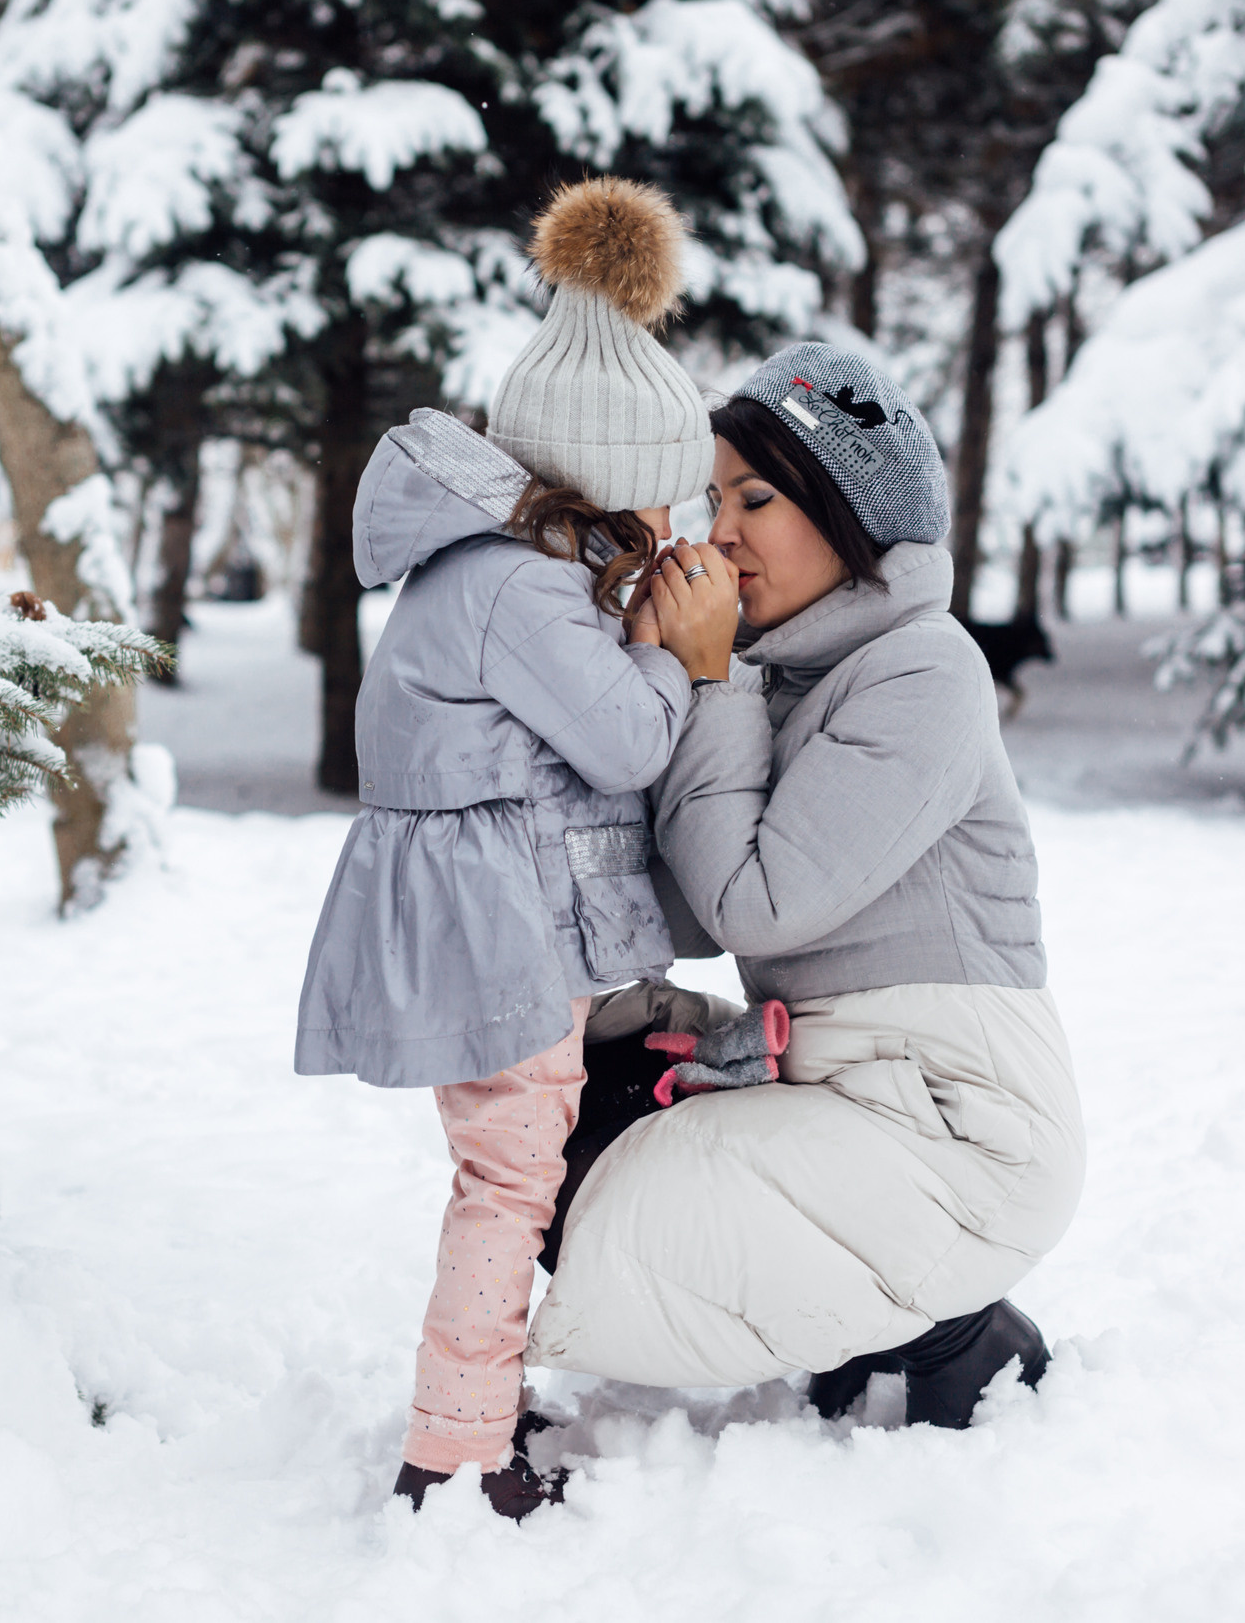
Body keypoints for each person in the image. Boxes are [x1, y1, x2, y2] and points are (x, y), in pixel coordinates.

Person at [524, 341, 1086, 1430]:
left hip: (963, 1125)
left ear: (848, 514)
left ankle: (946, 1330)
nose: (718, 530)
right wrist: (654, 689)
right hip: (844, 1083)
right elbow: (682, 907)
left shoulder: (926, 668)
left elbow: (752, 905)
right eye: (713, 497)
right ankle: (896, 1319)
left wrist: (710, 674)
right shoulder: (788, 676)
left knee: (600, 1187)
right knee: (559, 1085)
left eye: (757, 497)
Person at [292, 178, 714, 1519]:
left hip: (495, 918)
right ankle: (456, 1450)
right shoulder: (528, 591)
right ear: (609, 487)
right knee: (507, 1177)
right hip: (496, 934)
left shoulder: (496, 564)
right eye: (660, 507)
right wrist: (675, 652)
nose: (667, 534)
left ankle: (478, 1403)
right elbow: (628, 743)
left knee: (521, 1158)